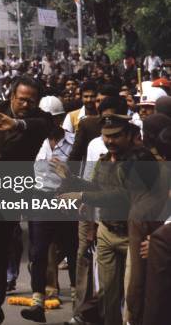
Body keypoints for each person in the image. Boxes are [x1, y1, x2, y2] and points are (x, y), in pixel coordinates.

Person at [58, 114, 167, 325]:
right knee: (107, 294)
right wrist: (74, 184)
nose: (110, 141)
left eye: (116, 136)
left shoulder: (139, 161)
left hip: (132, 238)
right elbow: (99, 189)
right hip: (106, 232)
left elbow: (122, 195)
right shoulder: (103, 161)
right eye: (106, 136)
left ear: (128, 135)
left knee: (132, 293)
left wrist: (82, 195)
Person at [0, 76, 53, 325]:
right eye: (21, 100)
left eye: (31, 101)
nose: (26, 104)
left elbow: (39, 127)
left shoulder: (40, 120)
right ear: (11, 97)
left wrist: (17, 123)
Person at [22, 96, 77, 322]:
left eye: (51, 119)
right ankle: (38, 302)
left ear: (59, 119)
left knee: (73, 251)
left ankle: (78, 302)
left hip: (67, 200)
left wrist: (69, 175)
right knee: (38, 251)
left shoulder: (75, 142)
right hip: (40, 199)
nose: (47, 124)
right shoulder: (33, 141)